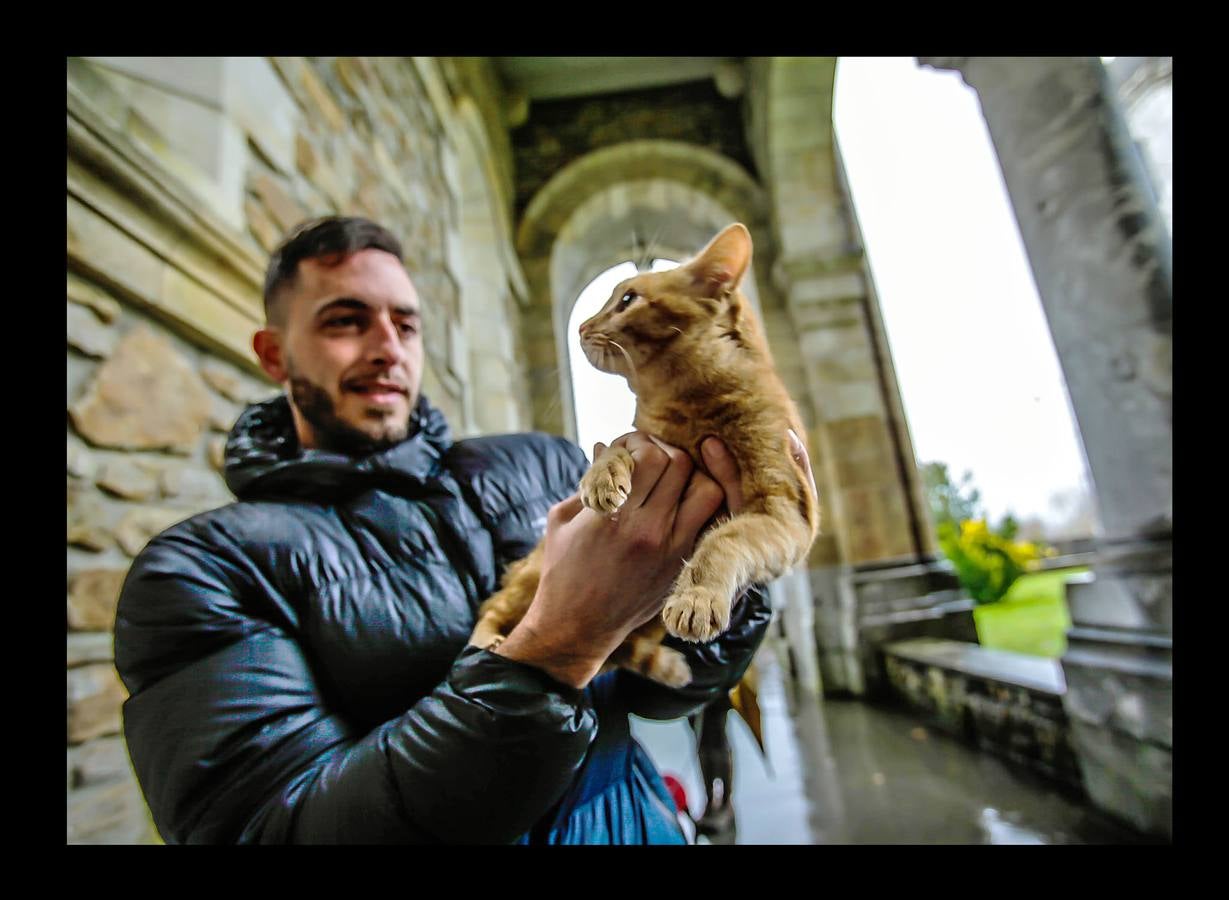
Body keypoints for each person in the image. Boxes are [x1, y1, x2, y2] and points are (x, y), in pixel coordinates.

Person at [113, 215, 812, 844]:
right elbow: (266, 828)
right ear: (274, 354)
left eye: (406, 324)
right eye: (345, 321)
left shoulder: (541, 463)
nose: (388, 348)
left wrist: (727, 561)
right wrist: (554, 652)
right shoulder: (201, 571)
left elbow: (664, 694)